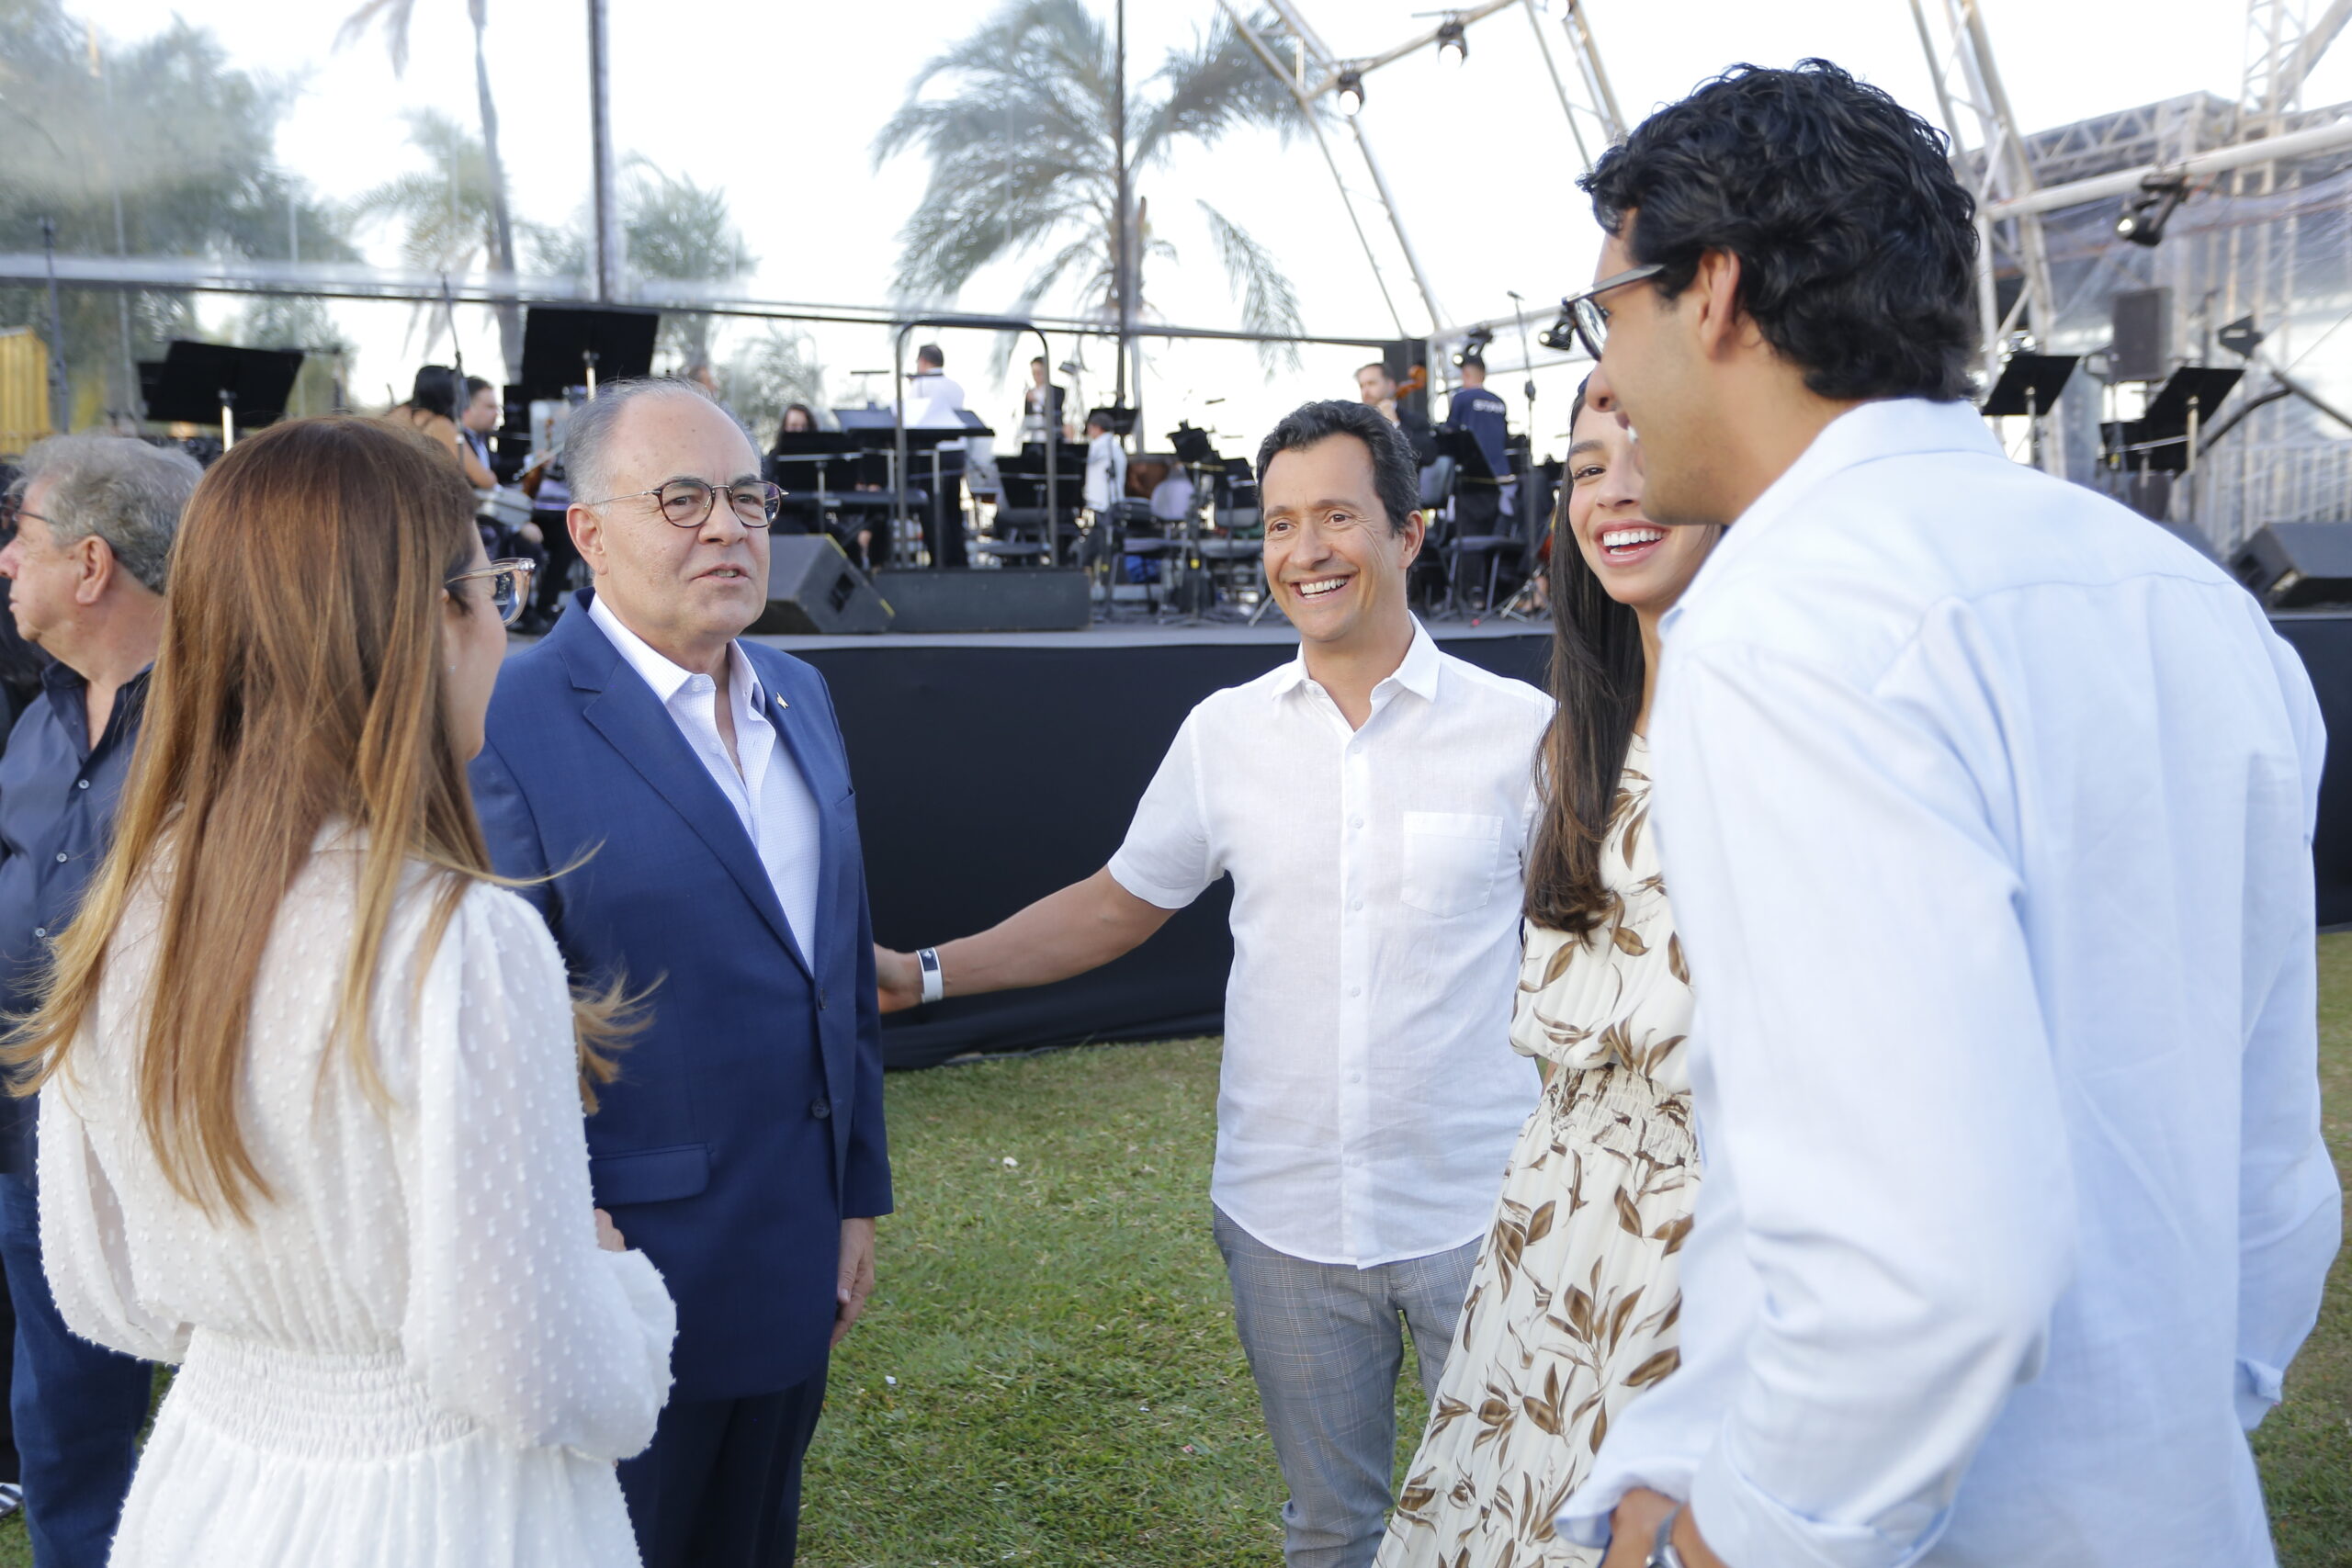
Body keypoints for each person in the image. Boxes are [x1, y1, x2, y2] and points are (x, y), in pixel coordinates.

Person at [1550, 62, 2339, 1568]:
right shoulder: (2198, 606)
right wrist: (2160, 1432)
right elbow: (2274, 1191)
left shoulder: (1789, 622)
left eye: (1612, 312)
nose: (1615, 374)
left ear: (1713, 291)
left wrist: (1735, 1537)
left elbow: (1921, 1266)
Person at [876, 400, 1551, 1568]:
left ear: (1409, 532)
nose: (1304, 551)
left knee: (1510, 1527)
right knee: (1329, 1529)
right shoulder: (1223, 735)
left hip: (1480, 1217)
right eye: (1280, 523)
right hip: (1284, 1222)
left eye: (1336, 516)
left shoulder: (1524, 733)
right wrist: (923, 976)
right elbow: (1115, 905)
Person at [17, 415, 673, 1568]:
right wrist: (617, 1288)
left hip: (207, 1492)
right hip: (445, 1512)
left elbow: (102, 1290)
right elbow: (533, 1375)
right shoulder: (459, 943)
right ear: (426, 622)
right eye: (492, 590)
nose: (500, 629)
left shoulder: (126, 911)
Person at [471, 378, 890, 1568]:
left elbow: (833, 970)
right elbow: (493, 1026)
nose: (729, 528)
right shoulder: (503, 717)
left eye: (750, 499)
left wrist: (854, 1195)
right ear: (588, 531)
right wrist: (562, 1243)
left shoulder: (800, 693)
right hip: (623, 1272)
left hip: (796, 1246)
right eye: (684, 499)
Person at [1378, 380, 1717, 1568]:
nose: (1613, 492)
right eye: (1582, 468)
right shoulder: (1583, 731)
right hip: (1554, 1213)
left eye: (1646, 453)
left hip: (1701, 1235)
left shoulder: (1783, 730)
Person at [0, 434, 198, 1567]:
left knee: (232, 1418)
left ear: (90, 563)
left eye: (18, 535)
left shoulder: (230, 720)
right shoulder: (42, 716)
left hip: (181, 1143)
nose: (3, 561)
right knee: (62, 1425)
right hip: (37, 1137)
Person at [907, 345, 968, 568]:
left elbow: (911, 418)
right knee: (953, 508)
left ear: (923, 362)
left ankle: (940, 558)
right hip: (956, 453)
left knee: (932, 508)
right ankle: (958, 558)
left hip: (932, 454)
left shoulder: (921, 385)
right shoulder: (956, 387)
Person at [392, 366, 497, 491]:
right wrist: (492, 478)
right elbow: (484, 480)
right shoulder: (440, 425)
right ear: (450, 394)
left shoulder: (399, 413)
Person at [1356, 361, 1436, 463]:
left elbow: (1428, 456)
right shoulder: (1356, 420)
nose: (1365, 392)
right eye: (1362, 386)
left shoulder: (1415, 420)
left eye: (1371, 383)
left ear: (1390, 385)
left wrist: (1395, 424)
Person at [1018, 356, 1066, 444]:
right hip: (1035, 437)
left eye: (1039, 373)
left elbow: (1056, 410)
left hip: (1053, 437)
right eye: (1034, 373)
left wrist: (1038, 401)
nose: (1036, 376)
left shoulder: (1057, 391)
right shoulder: (1030, 393)